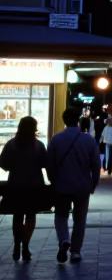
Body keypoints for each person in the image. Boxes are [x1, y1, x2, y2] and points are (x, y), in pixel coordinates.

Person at [48, 107, 100, 263]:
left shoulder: (56, 139)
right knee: (80, 218)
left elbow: (49, 164)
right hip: (82, 185)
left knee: (61, 216)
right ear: (77, 119)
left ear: (64, 121)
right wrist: (93, 183)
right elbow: (96, 164)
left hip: (62, 185)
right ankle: (76, 251)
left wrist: (53, 181)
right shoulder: (88, 140)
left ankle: (64, 240)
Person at [0, 117, 49, 262]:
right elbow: (44, 163)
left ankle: (16, 245)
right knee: (30, 217)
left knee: (17, 216)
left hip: (15, 184)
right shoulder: (38, 145)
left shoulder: (11, 144)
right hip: (34, 185)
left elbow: (3, 164)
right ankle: (25, 246)